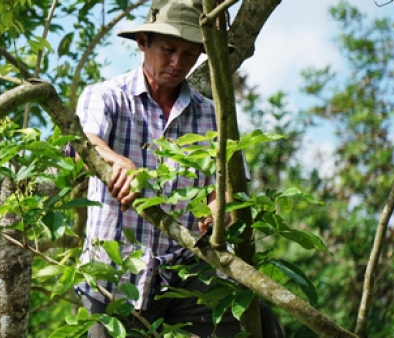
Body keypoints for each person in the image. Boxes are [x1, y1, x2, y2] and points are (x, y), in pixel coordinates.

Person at [72, 0, 285, 337]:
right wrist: (118, 162)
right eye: (168, 49)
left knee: (258, 322)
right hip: (116, 274)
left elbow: (225, 190)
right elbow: (84, 147)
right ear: (143, 42)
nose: (177, 62)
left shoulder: (212, 114)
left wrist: (219, 208)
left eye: (189, 54)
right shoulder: (106, 96)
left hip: (187, 270)